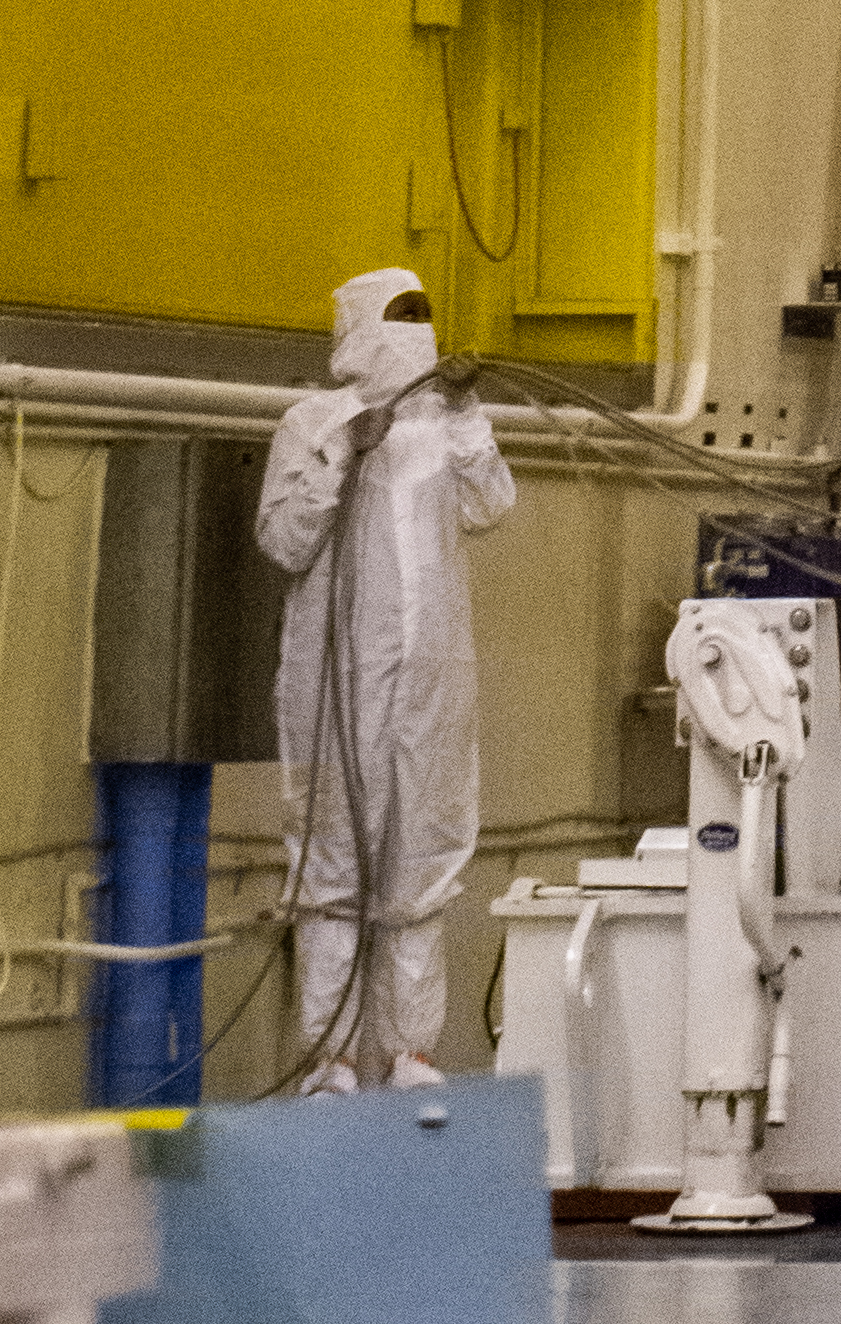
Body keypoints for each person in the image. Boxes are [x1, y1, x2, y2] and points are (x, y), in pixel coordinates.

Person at [255, 267, 513, 1086]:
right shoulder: (312, 423)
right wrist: (341, 456)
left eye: (427, 316)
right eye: (402, 317)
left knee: (420, 869)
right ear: (361, 327)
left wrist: (467, 412)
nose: (419, 332)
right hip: (335, 680)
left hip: (432, 685)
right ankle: (327, 1062)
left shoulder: (449, 427)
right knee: (332, 871)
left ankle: (410, 1054)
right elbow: (284, 541)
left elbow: (491, 505)